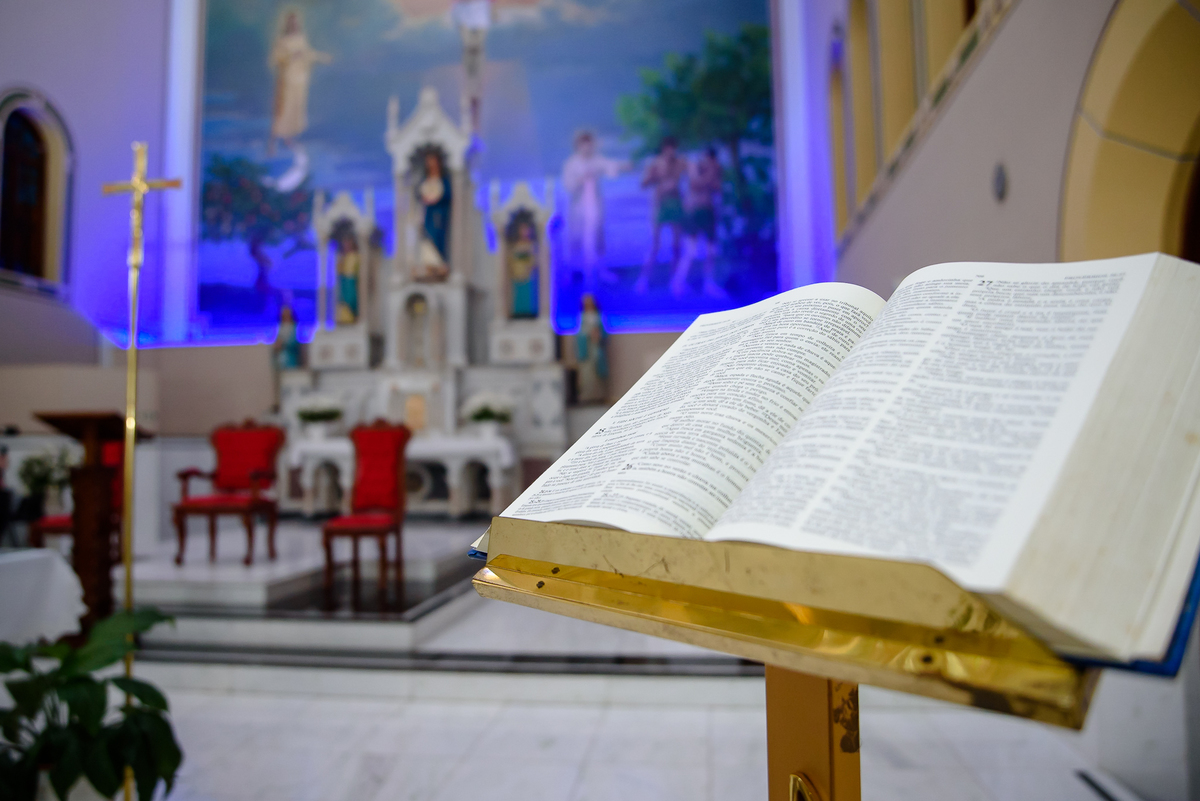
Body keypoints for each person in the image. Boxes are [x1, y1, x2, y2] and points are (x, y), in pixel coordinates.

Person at [562, 132, 627, 286]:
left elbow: (611, 167)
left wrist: (624, 166)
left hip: (595, 206)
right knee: (575, 240)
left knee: (598, 238)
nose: (587, 148)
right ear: (578, 146)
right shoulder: (571, 163)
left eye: (589, 145)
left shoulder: (597, 159)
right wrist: (580, 180)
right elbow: (568, 185)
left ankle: (601, 270)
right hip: (579, 207)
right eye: (583, 145)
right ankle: (571, 272)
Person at [269, 11, 331, 154]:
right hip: (288, 79)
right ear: (288, 24)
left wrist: (321, 57)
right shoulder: (282, 40)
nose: (294, 25)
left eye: (296, 22)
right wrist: (291, 56)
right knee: (284, 109)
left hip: (300, 80)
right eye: (292, 22)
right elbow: (277, 58)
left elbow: (308, 54)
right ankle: (274, 142)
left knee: (296, 109)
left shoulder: (301, 38)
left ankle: (289, 138)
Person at [671, 147, 727, 299]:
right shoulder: (695, 167)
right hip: (694, 213)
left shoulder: (715, 169)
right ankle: (678, 283)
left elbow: (717, 188)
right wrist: (710, 173)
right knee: (691, 250)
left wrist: (713, 174)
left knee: (711, 250)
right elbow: (696, 184)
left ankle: (709, 283)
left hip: (708, 213)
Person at [634, 137, 687, 293]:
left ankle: (675, 281)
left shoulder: (680, 163)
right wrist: (653, 178)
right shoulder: (656, 164)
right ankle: (643, 280)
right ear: (664, 149)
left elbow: (692, 174)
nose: (671, 151)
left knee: (677, 245)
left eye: (673, 148)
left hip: (675, 204)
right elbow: (643, 184)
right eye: (668, 148)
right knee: (654, 245)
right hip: (660, 206)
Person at [415, 149, 452, 281]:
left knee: (437, 236)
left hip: (439, 214)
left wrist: (436, 198)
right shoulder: (426, 180)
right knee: (427, 238)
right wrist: (425, 198)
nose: (431, 165)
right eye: (429, 162)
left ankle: (439, 265)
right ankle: (429, 266)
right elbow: (419, 194)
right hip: (428, 214)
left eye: (433, 162)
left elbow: (447, 194)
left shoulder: (443, 180)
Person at [574, 294, 608, 404]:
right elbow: (580, 335)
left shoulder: (598, 317)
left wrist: (598, 335)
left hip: (596, 348)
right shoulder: (582, 317)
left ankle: (599, 396)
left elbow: (604, 333)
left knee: (598, 373)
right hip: (586, 350)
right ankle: (586, 397)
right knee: (586, 374)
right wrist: (588, 335)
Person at [506, 214, 539, 318]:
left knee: (528, 295)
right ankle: (518, 313)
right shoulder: (515, 245)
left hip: (528, 276)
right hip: (517, 275)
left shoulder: (532, 245)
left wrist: (529, 266)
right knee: (518, 296)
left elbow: (534, 260)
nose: (525, 232)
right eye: (522, 229)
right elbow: (511, 258)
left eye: (526, 229)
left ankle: (529, 313)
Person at [333, 224, 360, 325]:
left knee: (352, 301)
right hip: (344, 281)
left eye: (348, 242)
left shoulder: (356, 256)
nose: (346, 245)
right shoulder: (342, 256)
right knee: (343, 302)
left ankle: (354, 317)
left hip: (352, 282)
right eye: (344, 243)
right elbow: (338, 270)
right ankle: (344, 319)